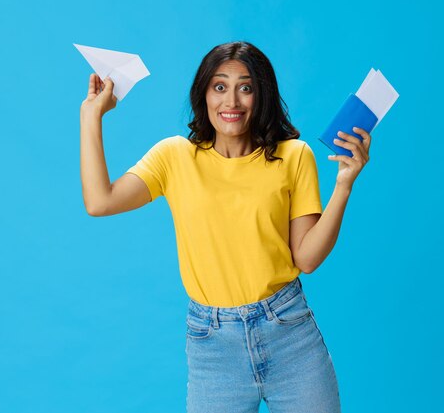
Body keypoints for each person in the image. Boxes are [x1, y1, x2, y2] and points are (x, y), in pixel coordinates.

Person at [80, 41, 371, 413]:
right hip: (213, 346)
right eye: (219, 87)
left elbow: (308, 259)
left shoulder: (293, 156)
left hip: (289, 333)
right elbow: (99, 201)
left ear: (260, 96)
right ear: (203, 94)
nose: (231, 101)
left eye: (245, 87)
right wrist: (91, 115)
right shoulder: (174, 157)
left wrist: (344, 184)